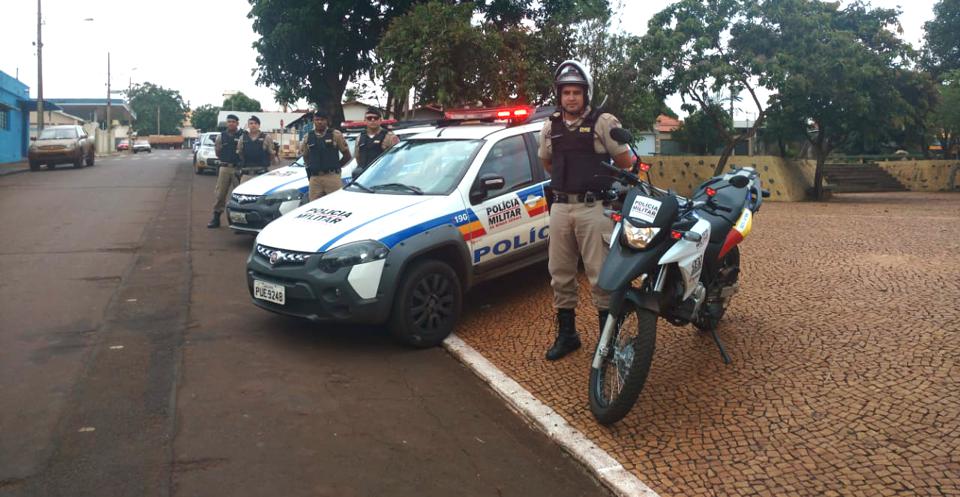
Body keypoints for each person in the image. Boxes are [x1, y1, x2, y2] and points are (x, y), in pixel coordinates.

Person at [538, 60, 634, 361]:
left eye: (576, 92)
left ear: (586, 93)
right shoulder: (550, 125)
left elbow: (625, 161)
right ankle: (568, 335)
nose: (570, 98)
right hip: (561, 208)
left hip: (595, 209)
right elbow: (548, 163)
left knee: (601, 276)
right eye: (565, 92)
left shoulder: (603, 122)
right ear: (559, 95)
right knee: (560, 274)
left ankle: (608, 341)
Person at [300, 110, 351, 201]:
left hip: (332, 177)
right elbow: (305, 156)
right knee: (313, 207)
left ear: (327, 121)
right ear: (314, 121)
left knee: (336, 204)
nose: (319, 122)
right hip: (315, 179)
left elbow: (347, 155)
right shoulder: (308, 137)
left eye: (322, 119)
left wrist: (336, 166)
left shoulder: (335, 135)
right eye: (317, 119)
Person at [208, 114, 244, 229]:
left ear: (237, 123)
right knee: (220, 194)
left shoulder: (242, 135)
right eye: (229, 121)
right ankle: (216, 218)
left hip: (238, 168)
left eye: (233, 121)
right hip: (224, 167)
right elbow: (218, 152)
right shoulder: (221, 136)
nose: (231, 123)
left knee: (240, 196)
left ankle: (240, 220)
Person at [352, 107, 398, 178]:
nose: (372, 120)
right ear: (365, 121)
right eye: (369, 118)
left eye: (375, 118)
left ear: (380, 120)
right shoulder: (360, 137)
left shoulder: (390, 137)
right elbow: (357, 157)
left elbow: (398, 159)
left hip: (383, 177)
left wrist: (390, 174)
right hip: (364, 177)